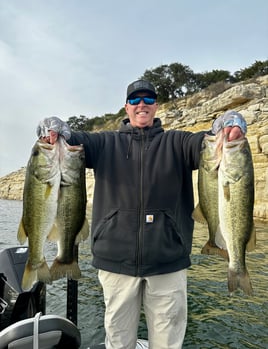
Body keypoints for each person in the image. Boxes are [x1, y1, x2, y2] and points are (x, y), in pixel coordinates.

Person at [37, 80, 247, 349]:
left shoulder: (178, 142)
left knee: (168, 343)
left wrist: (228, 123)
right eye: (135, 100)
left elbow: (205, 143)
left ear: (156, 106)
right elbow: (73, 140)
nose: (142, 105)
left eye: (148, 99)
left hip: (168, 264)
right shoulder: (105, 143)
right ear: (126, 107)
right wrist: (55, 129)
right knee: (118, 341)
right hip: (115, 264)